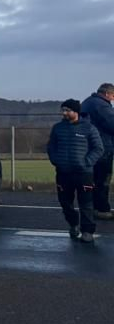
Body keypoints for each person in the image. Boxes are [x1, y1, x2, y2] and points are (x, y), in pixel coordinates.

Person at [46, 98, 103, 242]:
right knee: (65, 202)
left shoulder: (89, 128)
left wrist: (86, 162)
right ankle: (73, 224)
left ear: (76, 112)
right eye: (63, 110)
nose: (64, 113)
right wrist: (55, 160)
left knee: (86, 204)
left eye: (67, 110)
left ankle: (87, 231)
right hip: (63, 172)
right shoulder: (58, 128)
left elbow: (98, 148)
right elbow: (51, 147)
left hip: (84, 173)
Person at [80, 82, 114, 220]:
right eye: (112, 95)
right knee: (102, 179)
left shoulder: (87, 102)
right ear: (106, 94)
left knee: (91, 179)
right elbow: (112, 124)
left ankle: (90, 207)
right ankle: (101, 209)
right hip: (102, 147)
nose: (112, 99)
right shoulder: (101, 105)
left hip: (87, 147)